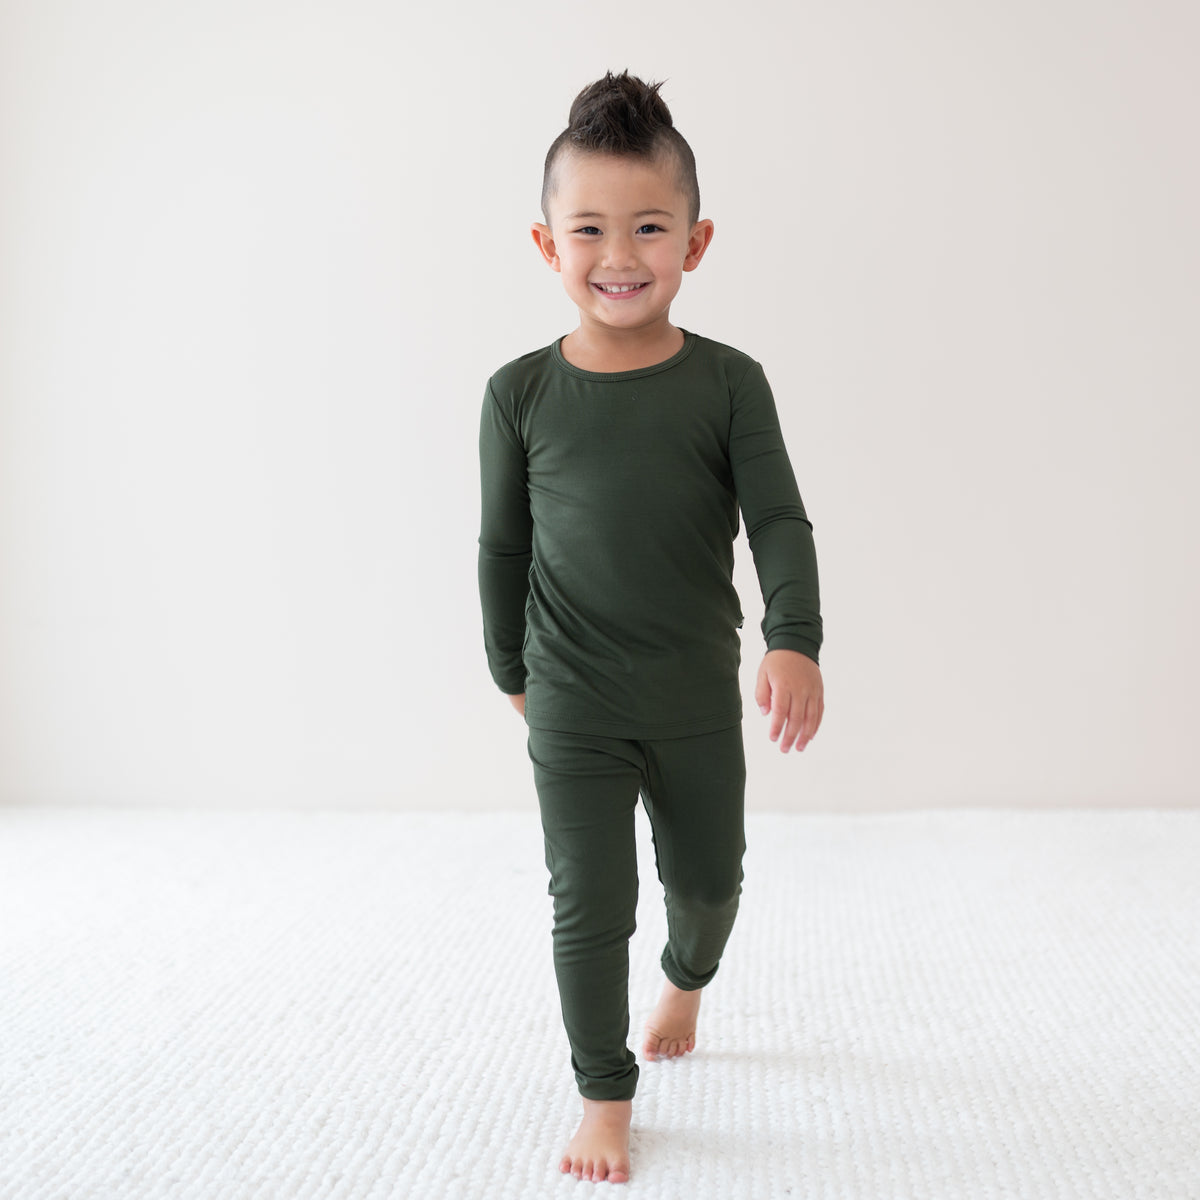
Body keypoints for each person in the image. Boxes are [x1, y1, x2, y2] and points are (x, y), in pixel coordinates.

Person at [477, 70, 825, 1185]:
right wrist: (509, 668)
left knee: (711, 883)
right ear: (547, 244)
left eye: (647, 227)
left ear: (695, 241)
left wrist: (794, 636)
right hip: (570, 695)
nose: (618, 253)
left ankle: (684, 979)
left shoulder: (729, 384)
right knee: (588, 902)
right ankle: (604, 1091)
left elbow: (776, 515)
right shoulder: (517, 394)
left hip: (687, 692)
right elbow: (501, 547)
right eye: (589, 228)